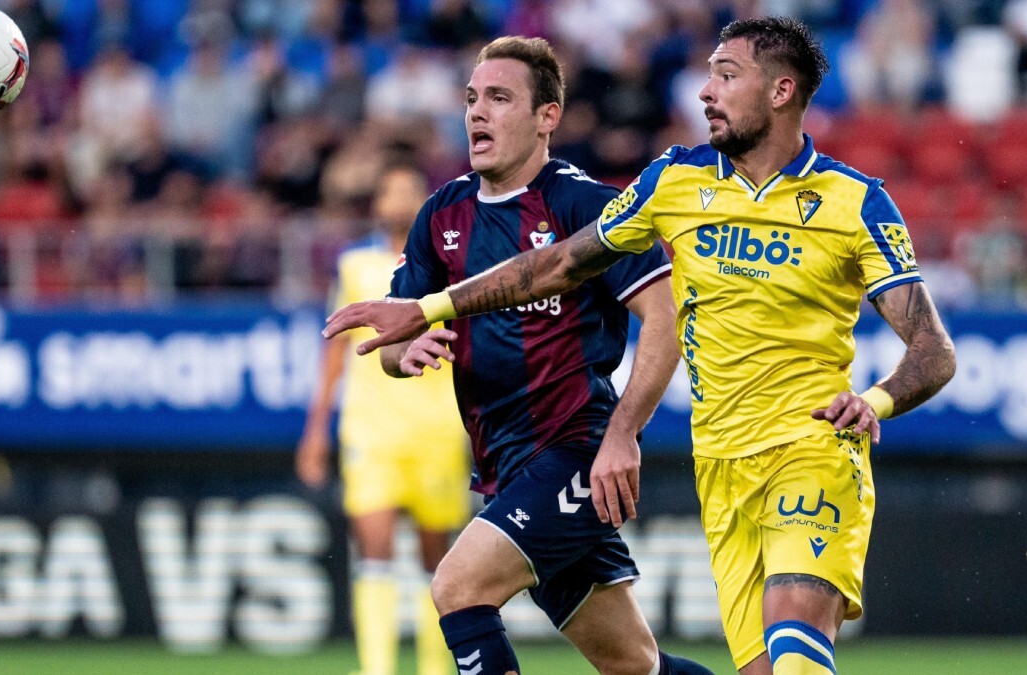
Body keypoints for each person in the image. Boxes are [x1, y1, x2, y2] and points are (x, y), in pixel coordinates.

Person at [325, 18, 958, 675]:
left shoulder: (856, 201)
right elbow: (556, 267)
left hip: (810, 447)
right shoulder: (674, 182)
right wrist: (427, 310)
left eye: (726, 76)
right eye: (707, 74)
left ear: (781, 91)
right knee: (643, 664)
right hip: (718, 462)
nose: (705, 92)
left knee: (794, 654)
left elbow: (933, 350)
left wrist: (874, 402)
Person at [336, 36, 712, 675]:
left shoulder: (586, 207)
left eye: (500, 98)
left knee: (457, 588)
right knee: (633, 664)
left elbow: (666, 316)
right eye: (472, 98)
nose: (477, 113)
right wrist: (404, 351)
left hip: (575, 452)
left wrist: (623, 434)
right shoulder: (441, 215)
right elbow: (392, 345)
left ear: (548, 117)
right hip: (505, 468)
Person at [296, 162, 472, 675]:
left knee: (434, 561)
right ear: (377, 204)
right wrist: (315, 431)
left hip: (438, 430)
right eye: (390, 190)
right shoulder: (354, 267)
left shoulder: (450, 265)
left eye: (408, 192)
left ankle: (434, 668)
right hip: (372, 430)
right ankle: (377, 669)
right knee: (373, 550)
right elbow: (335, 353)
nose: (398, 200)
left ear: (424, 205)